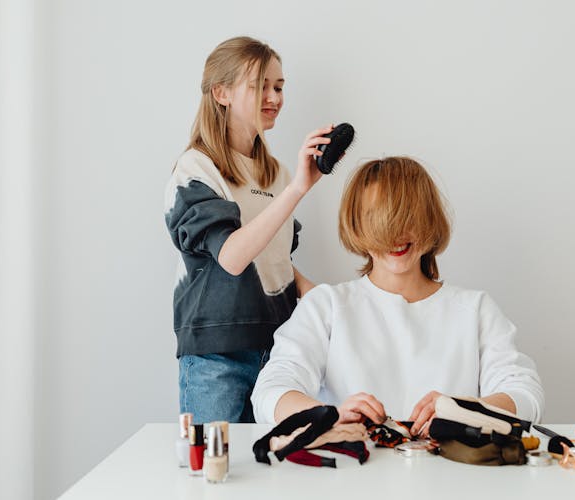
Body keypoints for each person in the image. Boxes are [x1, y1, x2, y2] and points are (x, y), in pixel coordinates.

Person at [252, 156, 544, 435]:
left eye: (407, 217)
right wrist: (328, 416)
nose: (395, 234)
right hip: (351, 477)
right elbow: (270, 392)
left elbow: (526, 396)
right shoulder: (326, 306)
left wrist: (466, 410)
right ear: (356, 225)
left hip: (454, 479)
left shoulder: (475, 310)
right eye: (377, 219)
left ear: (429, 218)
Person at [164, 36, 332, 423]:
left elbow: (272, 259)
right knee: (214, 474)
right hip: (216, 358)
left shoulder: (277, 173)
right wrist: (297, 190)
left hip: (280, 352)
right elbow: (234, 258)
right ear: (221, 93)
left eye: (279, 87)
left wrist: (317, 295)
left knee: (274, 472)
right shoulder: (196, 168)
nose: (273, 97)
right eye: (259, 86)